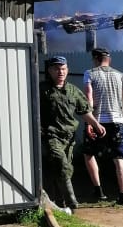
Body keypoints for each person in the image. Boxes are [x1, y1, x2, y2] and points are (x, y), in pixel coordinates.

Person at [39, 56, 104, 211]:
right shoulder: (42, 89)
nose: (60, 72)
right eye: (56, 69)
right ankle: (72, 202)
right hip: (51, 136)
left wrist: (96, 124)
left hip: (68, 138)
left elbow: (84, 111)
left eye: (63, 69)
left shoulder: (73, 91)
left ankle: (58, 202)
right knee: (61, 163)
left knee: (65, 168)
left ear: (67, 70)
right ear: (50, 71)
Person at [82, 47, 123, 205]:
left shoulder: (89, 73)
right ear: (108, 59)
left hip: (98, 121)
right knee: (119, 158)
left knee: (89, 154)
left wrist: (89, 121)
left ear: (96, 59)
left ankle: (99, 191)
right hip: (118, 122)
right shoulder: (120, 76)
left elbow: (89, 97)